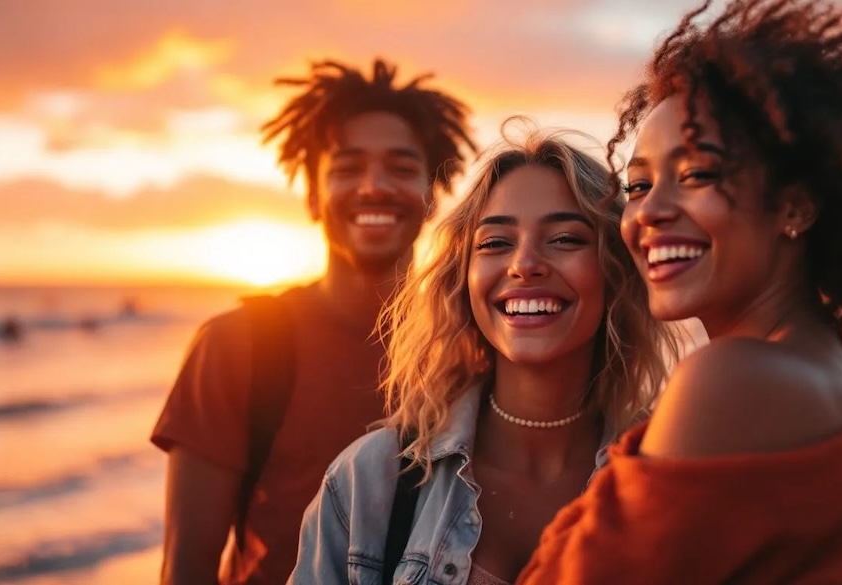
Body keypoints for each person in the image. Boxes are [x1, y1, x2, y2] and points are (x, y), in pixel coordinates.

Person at [517, 0, 842, 583]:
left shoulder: (732, 377)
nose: (651, 212)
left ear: (796, 204)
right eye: (638, 185)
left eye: (696, 175)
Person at [288, 126, 678, 584]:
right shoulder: (371, 481)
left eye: (565, 239)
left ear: (615, 270)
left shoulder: (665, 474)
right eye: (495, 243)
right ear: (463, 279)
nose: (524, 263)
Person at [151, 58, 476, 585]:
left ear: (431, 194)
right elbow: (186, 569)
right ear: (311, 196)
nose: (373, 186)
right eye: (347, 168)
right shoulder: (238, 345)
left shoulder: (474, 345)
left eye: (400, 167)